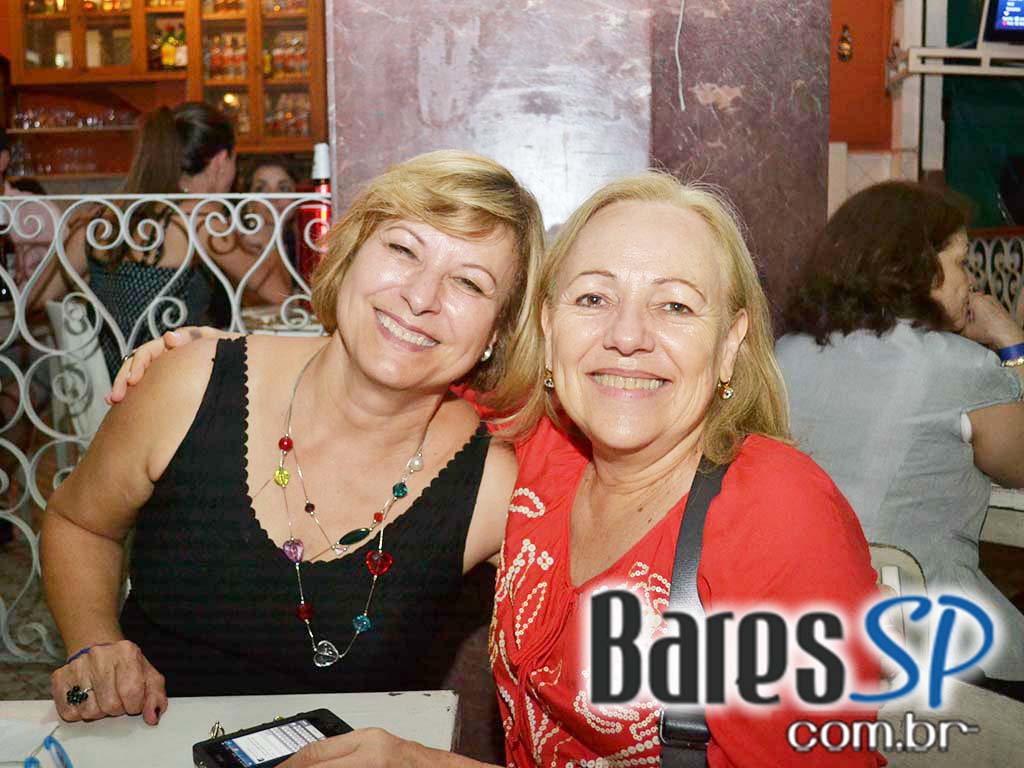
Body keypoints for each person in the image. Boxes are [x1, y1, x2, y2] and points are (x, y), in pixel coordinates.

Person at [115, 172, 885, 766]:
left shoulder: (780, 515)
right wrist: (224, 360)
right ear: (547, 328)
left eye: (676, 307)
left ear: (730, 344)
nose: (627, 336)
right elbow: (398, 358)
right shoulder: (538, 448)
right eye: (593, 298)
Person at [40, 150, 544, 726]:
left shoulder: (495, 487)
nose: (421, 297)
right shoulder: (191, 382)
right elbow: (80, 522)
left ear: (497, 333)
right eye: (403, 250)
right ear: (349, 254)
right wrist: (94, 642)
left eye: (470, 283)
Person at [776, 181, 1024, 691]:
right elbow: (1017, 466)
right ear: (920, 270)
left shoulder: (786, 353)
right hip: (929, 635)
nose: (970, 282)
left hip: (797, 624)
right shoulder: (960, 367)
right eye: (961, 264)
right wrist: (1012, 344)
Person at [29, 102, 291, 379]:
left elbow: (38, 298)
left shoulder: (102, 220)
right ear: (220, 161)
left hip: (107, 386)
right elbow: (280, 294)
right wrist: (270, 228)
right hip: (169, 386)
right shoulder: (199, 219)